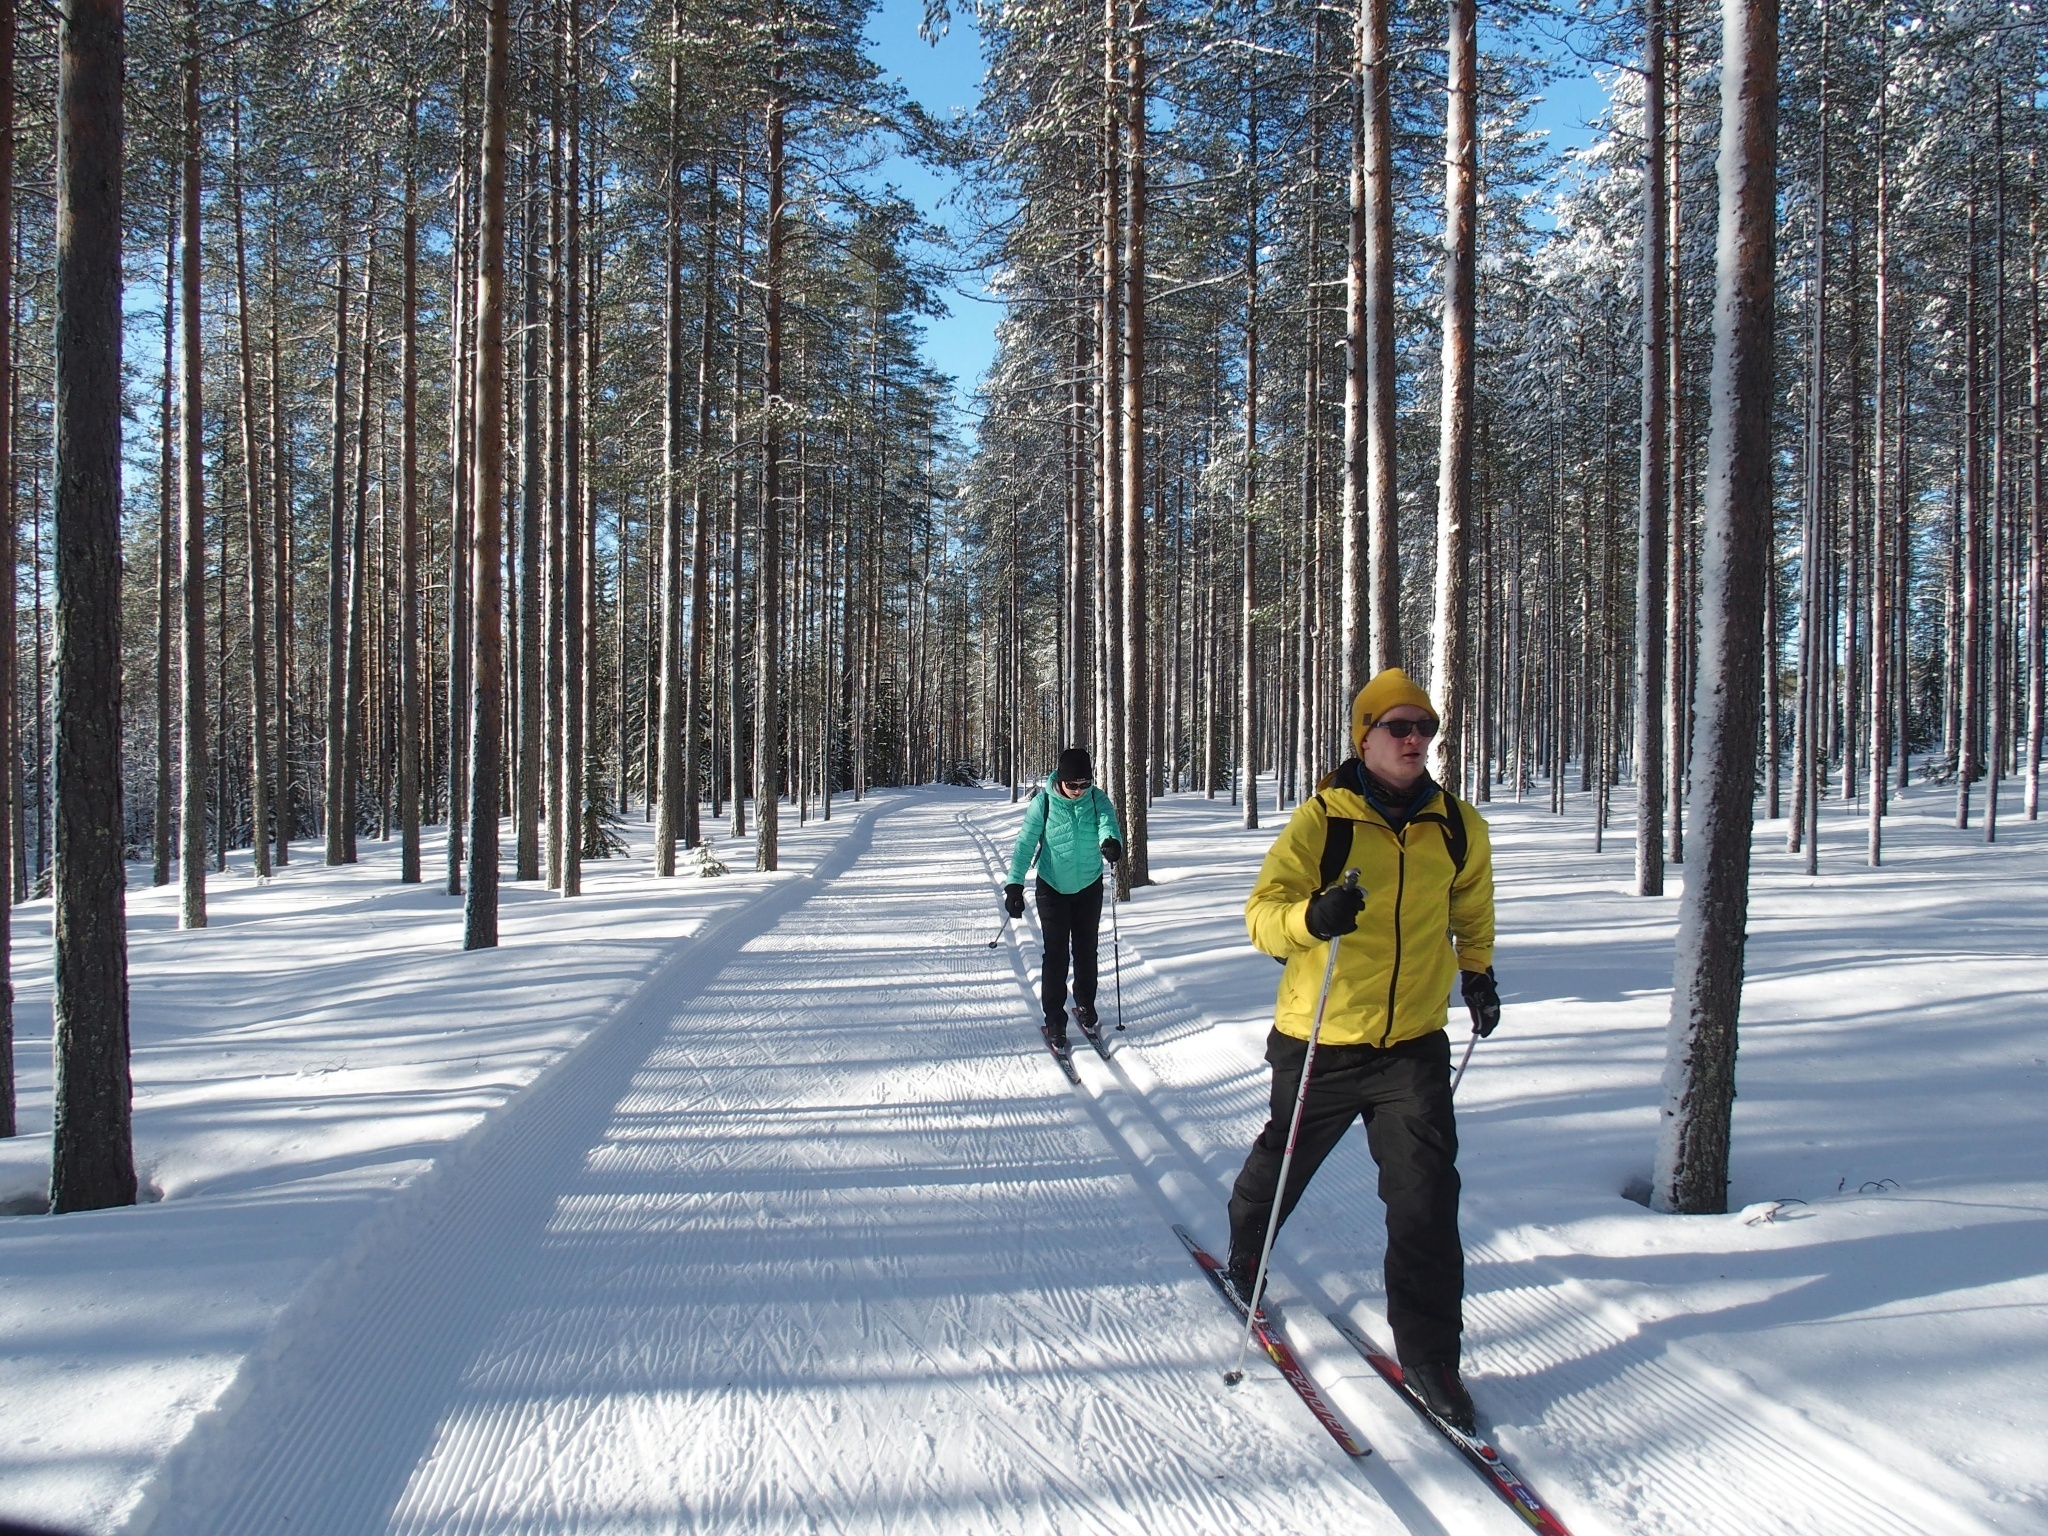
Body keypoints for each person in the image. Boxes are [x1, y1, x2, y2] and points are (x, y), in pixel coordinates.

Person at [1225, 667, 1500, 1432]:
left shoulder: (1457, 824)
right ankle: (1246, 1245)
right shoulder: (1324, 822)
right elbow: (1261, 917)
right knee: (1285, 1161)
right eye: (1399, 728)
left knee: (1425, 1201)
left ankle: (1430, 1357)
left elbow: (1471, 909)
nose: (1415, 741)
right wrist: (1314, 917)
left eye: (1426, 729)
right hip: (1321, 1037)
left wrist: (1476, 977)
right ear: (1365, 737)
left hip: (1413, 1045)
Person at [1004, 747, 1124, 1051]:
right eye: (1073, 785)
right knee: (1056, 955)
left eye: (1085, 784)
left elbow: (1108, 826)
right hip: (1052, 886)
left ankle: (1085, 1004)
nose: (1079, 791)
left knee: (1087, 950)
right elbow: (1024, 845)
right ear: (1061, 780)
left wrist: (1111, 842)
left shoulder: (1097, 801)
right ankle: (1055, 1019)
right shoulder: (1043, 803)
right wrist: (1014, 886)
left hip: (1088, 885)